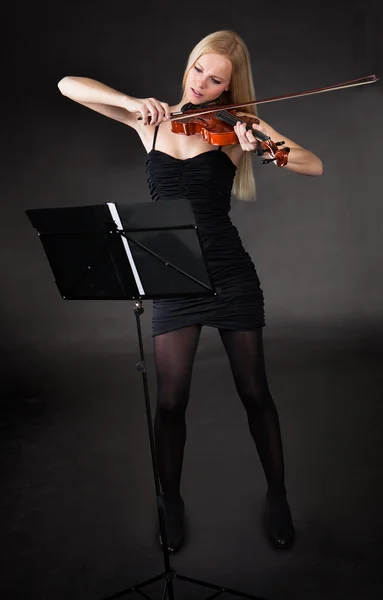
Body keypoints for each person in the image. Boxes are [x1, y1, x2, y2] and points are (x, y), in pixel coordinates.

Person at [58, 29, 323, 555]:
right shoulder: (147, 120)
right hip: (172, 275)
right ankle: (170, 501)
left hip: (229, 271)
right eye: (198, 70)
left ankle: (278, 495)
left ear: (229, 87)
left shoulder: (236, 124)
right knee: (171, 401)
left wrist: (268, 152)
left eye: (215, 79)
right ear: (189, 65)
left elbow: (313, 163)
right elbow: (69, 85)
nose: (202, 84)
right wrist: (130, 101)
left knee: (255, 392)